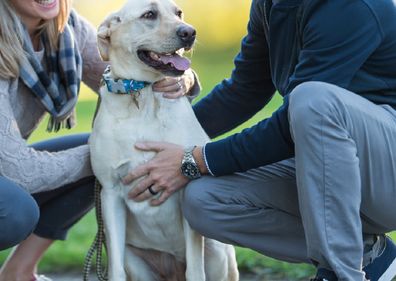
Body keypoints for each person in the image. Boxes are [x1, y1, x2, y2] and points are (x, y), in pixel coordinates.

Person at [124, 0, 396, 280]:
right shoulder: (270, 4)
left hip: (387, 173)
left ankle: (342, 272)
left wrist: (193, 160)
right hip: (330, 169)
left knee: (313, 99)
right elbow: (245, 89)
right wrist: (155, 138)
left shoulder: (351, 6)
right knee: (204, 200)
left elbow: (293, 123)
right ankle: (366, 254)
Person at [0, 1, 193, 280]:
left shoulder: (67, 31)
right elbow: (19, 172)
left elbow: (127, 73)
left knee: (96, 154)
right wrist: (112, 155)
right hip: (9, 169)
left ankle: (18, 273)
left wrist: (183, 78)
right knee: (15, 211)